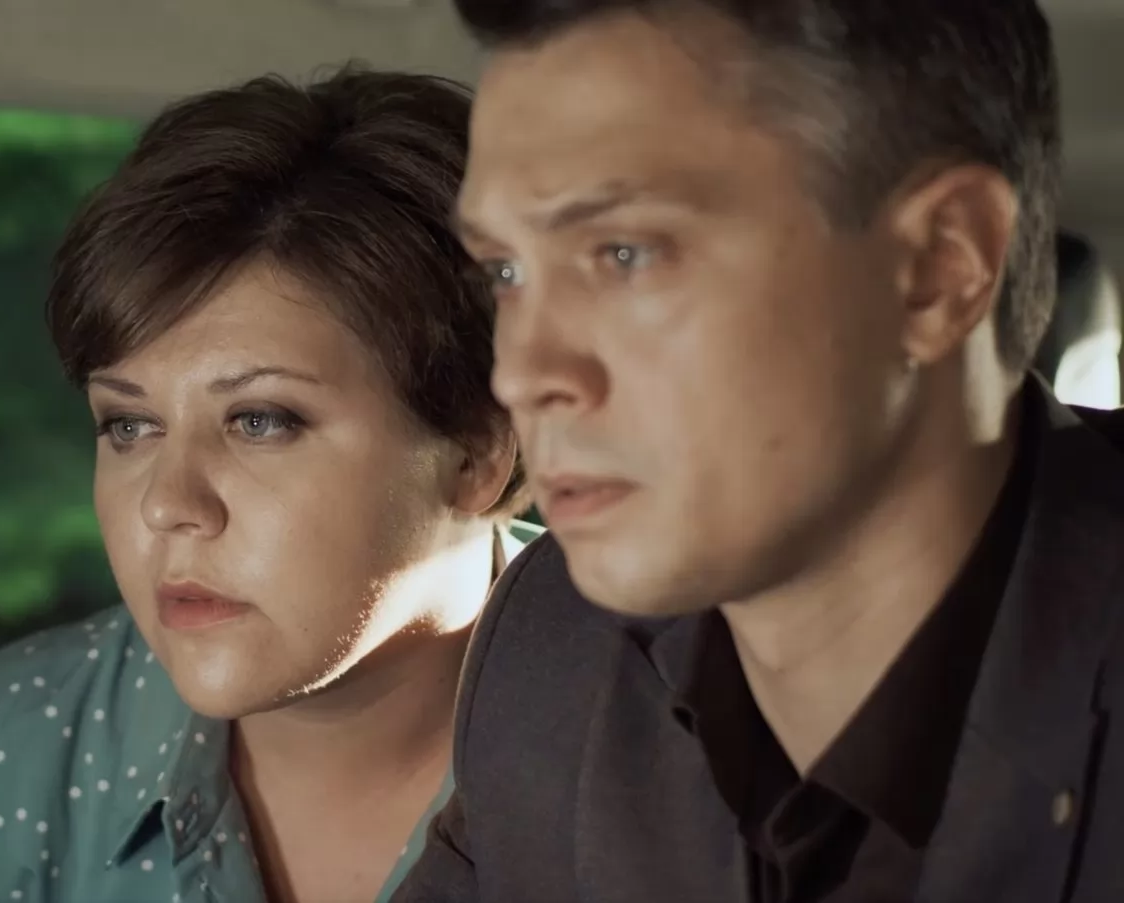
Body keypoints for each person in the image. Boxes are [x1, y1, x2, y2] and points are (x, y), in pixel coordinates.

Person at [393, 1, 1124, 901]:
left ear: (938, 267)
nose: (523, 372)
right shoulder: (557, 647)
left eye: (625, 254)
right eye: (505, 273)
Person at [0, 68, 539, 903]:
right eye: (128, 426)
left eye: (260, 421)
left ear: (478, 452)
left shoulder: (659, 741)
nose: (166, 504)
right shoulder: (8, 750)